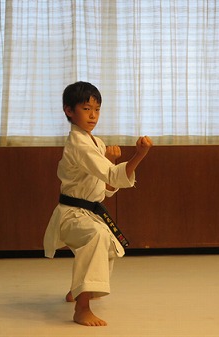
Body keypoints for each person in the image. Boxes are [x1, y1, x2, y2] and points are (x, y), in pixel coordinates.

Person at [43, 81, 153, 326]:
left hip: (89, 211)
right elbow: (113, 176)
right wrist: (139, 156)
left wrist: (108, 164)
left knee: (109, 245)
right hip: (72, 215)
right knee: (97, 237)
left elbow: (107, 189)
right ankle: (82, 308)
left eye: (97, 109)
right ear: (69, 111)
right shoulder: (79, 144)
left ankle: (79, 289)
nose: (93, 115)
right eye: (86, 108)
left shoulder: (96, 143)